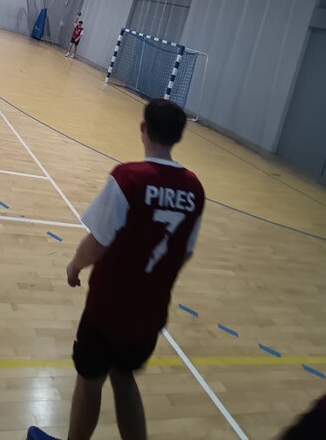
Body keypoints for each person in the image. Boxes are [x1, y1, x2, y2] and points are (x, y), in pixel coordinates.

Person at [27, 99, 204, 440]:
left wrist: (75, 265)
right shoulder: (195, 189)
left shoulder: (128, 178)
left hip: (108, 308)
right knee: (123, 378)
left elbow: (98, 242)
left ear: (143, 129)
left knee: (90, 380)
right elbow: (185, 252)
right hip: (151, 312)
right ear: (178, 137)